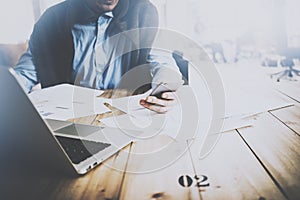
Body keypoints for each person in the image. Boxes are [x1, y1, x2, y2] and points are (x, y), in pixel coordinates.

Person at [14, 0, 183, 113]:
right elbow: (23, 75)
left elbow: (163, 63)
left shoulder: (144, 13)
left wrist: (164, 89)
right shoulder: (52, 20)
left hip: (127, 117)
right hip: (69, 120)